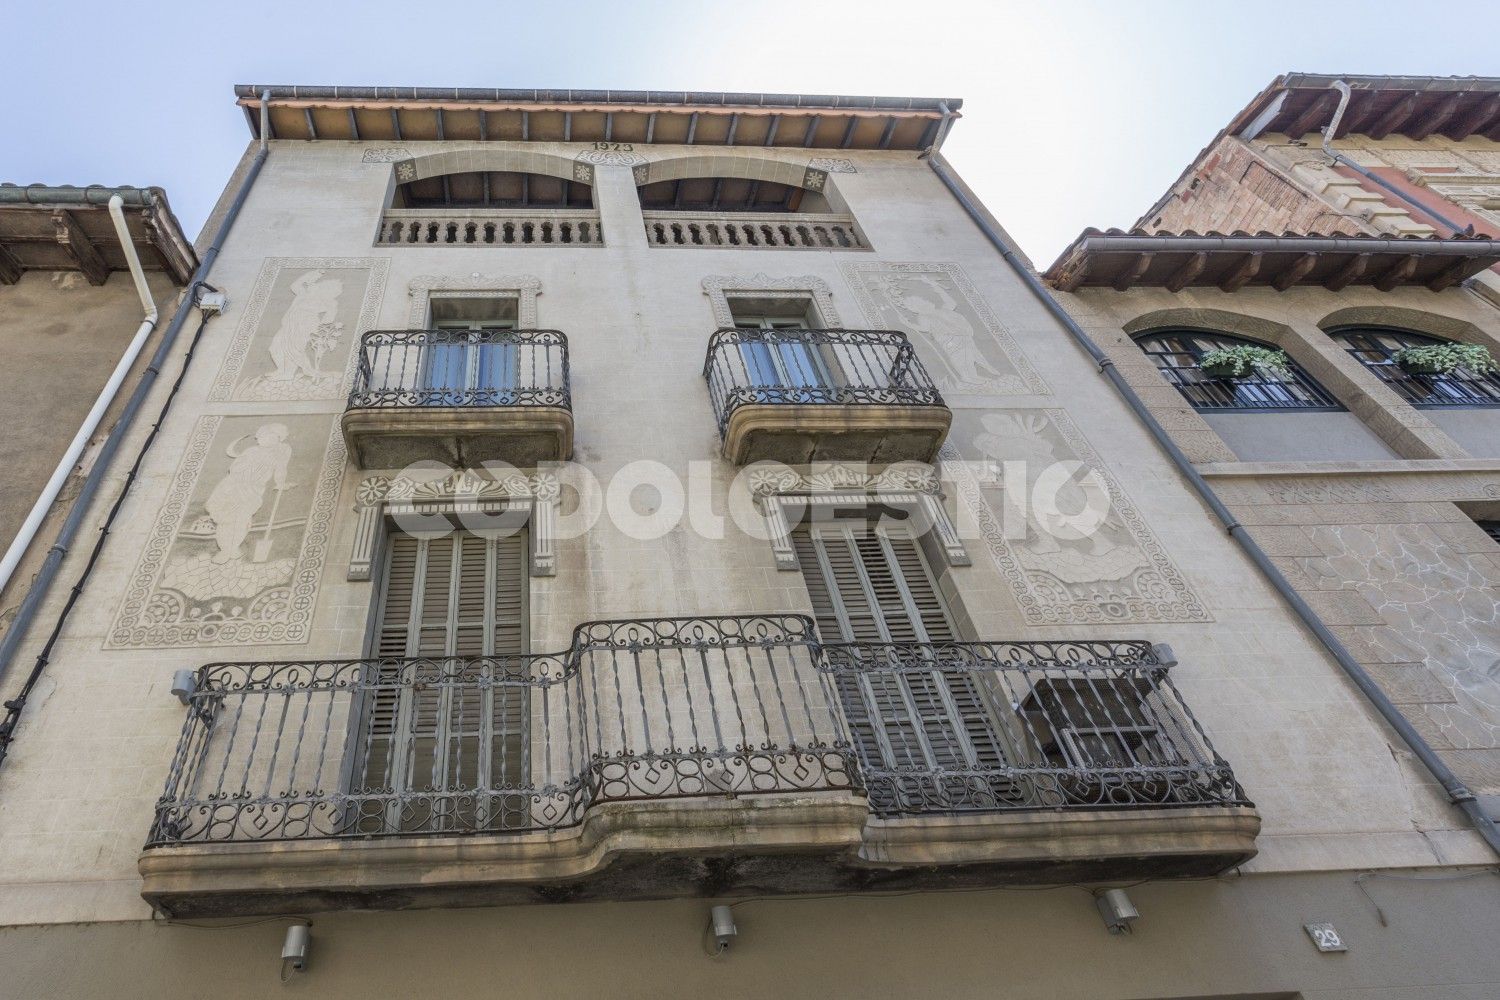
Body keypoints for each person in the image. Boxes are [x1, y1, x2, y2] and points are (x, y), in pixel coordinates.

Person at [204, 424, 293, 564]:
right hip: (232, 487)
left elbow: (281, 470)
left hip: (252, 490)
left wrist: (281, 483)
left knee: (242, 518)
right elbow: (234, 468)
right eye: (259, 437)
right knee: (226, 517)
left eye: (263, 436)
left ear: (276, 437)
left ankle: (231, 548)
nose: (259, 439)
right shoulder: (251, 451)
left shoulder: (279, 453)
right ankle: (225, 549)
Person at [266, 270, 343, 383]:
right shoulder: (306, 293)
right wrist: (315, 275)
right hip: (290, 323)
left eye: (326, 286)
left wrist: (320, 328)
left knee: (294, 349)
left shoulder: (328, 301)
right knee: (275, 346)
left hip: (305, 323)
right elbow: (294, 286)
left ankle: (288, 373)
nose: (320, 286)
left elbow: (329, 318)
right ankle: (281, 369)